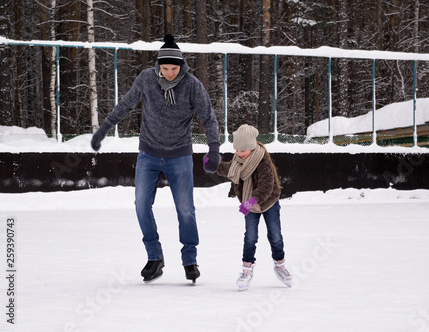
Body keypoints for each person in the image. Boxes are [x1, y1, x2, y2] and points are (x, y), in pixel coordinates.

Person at [91, 34, 220, 284]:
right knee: (141, 204)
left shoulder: (192, 84)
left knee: (185, 209)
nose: (170, 73)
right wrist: (104, 129)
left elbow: (208, 117)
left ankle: (190, 259)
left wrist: (213, 149)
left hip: (179, 154)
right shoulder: (146, 79)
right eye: (165, 68)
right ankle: (154, 257)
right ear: (158, 66)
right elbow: (126, 104)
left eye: (174, 68)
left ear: (182, 65)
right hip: (148, 153)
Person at [215, 124, 292, 291]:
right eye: (237, 150)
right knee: (250, 236)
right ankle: (247, 270)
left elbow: (266, 185)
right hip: (249, 204)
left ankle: (280, 265)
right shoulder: (237, 161)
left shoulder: (262, 161)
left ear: (251, 146)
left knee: (275, 235)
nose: (239, 153)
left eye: (243, 150)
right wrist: (213, 164)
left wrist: (251, 201)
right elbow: (226, 169)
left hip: (268, 202)